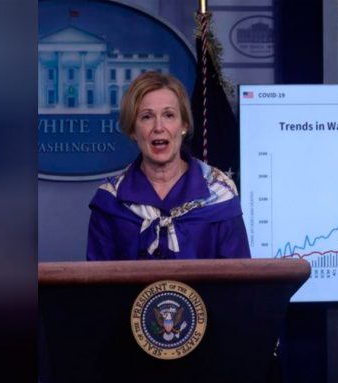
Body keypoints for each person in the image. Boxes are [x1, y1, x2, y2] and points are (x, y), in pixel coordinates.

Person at [87, 71, 250, 261]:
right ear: (133, 129)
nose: (158, 127)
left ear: (184, 125)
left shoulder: (220, 193)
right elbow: (98, 288)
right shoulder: (110, 200)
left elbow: (238, 283)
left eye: (169, 115)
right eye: (147, 117)